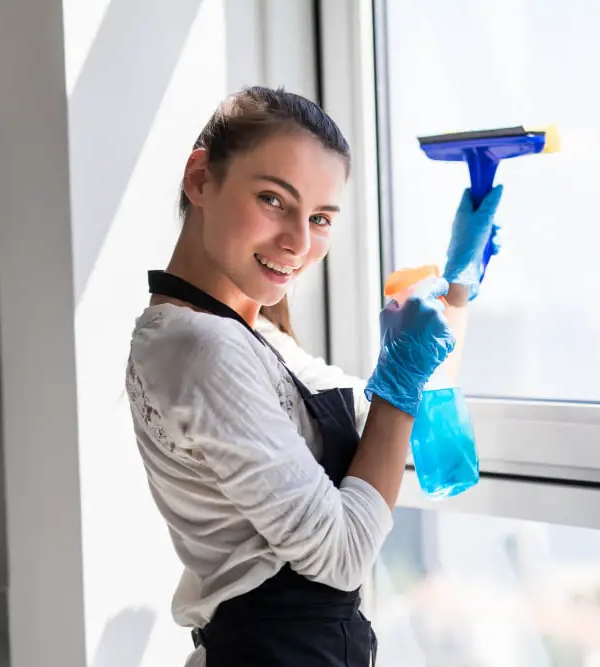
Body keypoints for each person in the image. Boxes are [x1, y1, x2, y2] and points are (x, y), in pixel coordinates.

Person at [124, 85, 503, 667]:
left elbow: (373, 417)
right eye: (275, 200)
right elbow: (343, 554)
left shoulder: (250, 337)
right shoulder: (200, 347)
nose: (299, 243)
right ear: (200, 178)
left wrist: (458, 283)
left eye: (321, 217)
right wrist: (400, 373)